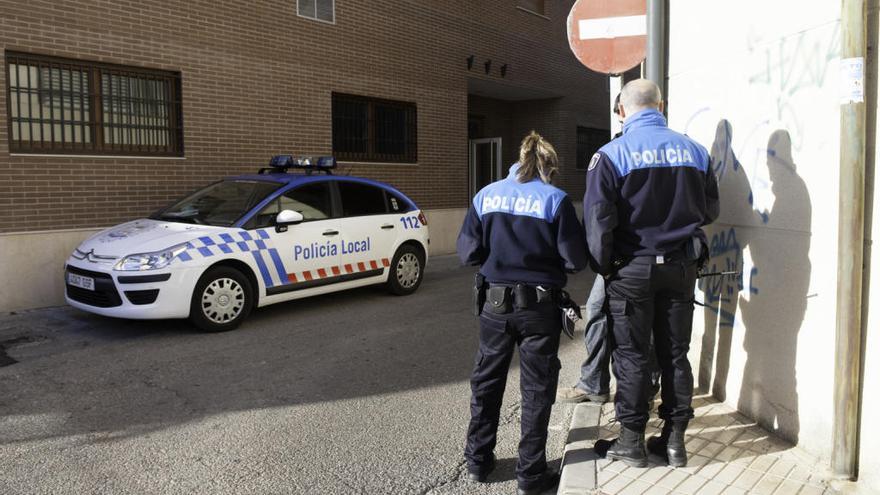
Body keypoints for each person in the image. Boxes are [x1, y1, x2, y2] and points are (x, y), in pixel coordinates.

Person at [585, 79, 719, 468]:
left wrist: (607, 267)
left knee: (632, 356)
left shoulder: (610, 155)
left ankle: (631, 441)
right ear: (661, 104)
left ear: (623, 110)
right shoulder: (695, 151)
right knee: (675, 354)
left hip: (632, 269)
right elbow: (710, 211)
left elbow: (597, 224)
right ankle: (675, 442)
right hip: (680, 267)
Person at [458, 131, 587, 495]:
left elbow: (467, 253)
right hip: (539, 309)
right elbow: (575, 260)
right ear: (550, 167)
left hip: (494, 307)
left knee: (486, 383)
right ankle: (530, 475)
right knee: (536, 389)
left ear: (517, 161)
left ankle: (477, 462)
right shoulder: (556, 200)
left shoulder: (487, 194)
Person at [557, 94, 660, 406]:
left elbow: (598, 215)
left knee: (627, 320)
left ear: (622, 110)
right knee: (604, 314)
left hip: (624, 257)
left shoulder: (616, 151)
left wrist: (602, 262)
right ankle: (598, 383)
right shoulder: (672, 146)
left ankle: (637, 390)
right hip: (651, 256)